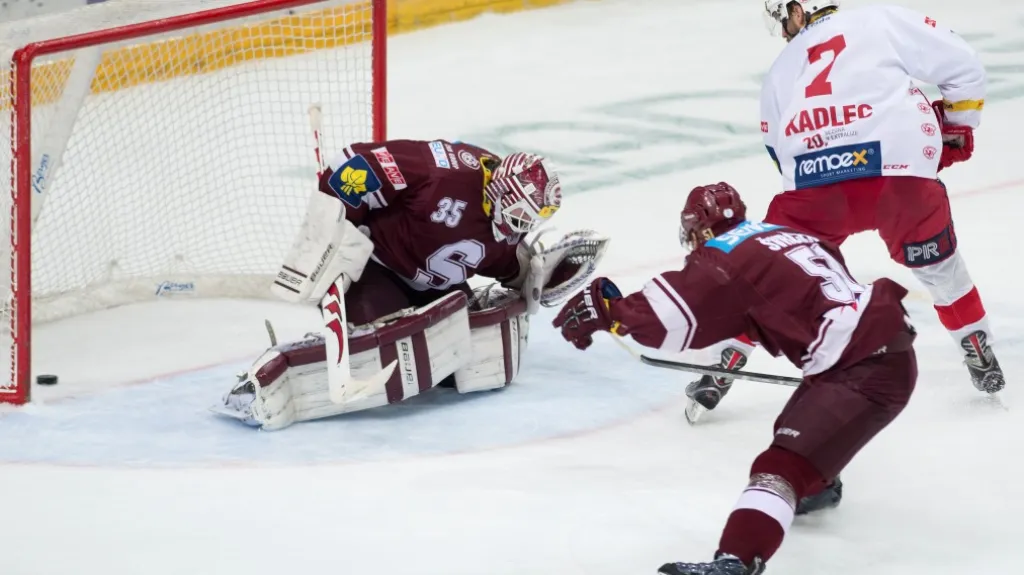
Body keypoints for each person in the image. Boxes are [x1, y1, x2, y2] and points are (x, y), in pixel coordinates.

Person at [552, 182, 917, 575]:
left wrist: (611, 312)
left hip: (866, 367)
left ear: (700, 229)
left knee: (779, 468)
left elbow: (671, 320)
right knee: (792, 429)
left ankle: (735, 563)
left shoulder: (722, 256)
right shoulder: (782, 233)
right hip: (874, 348)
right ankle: (821, 485)